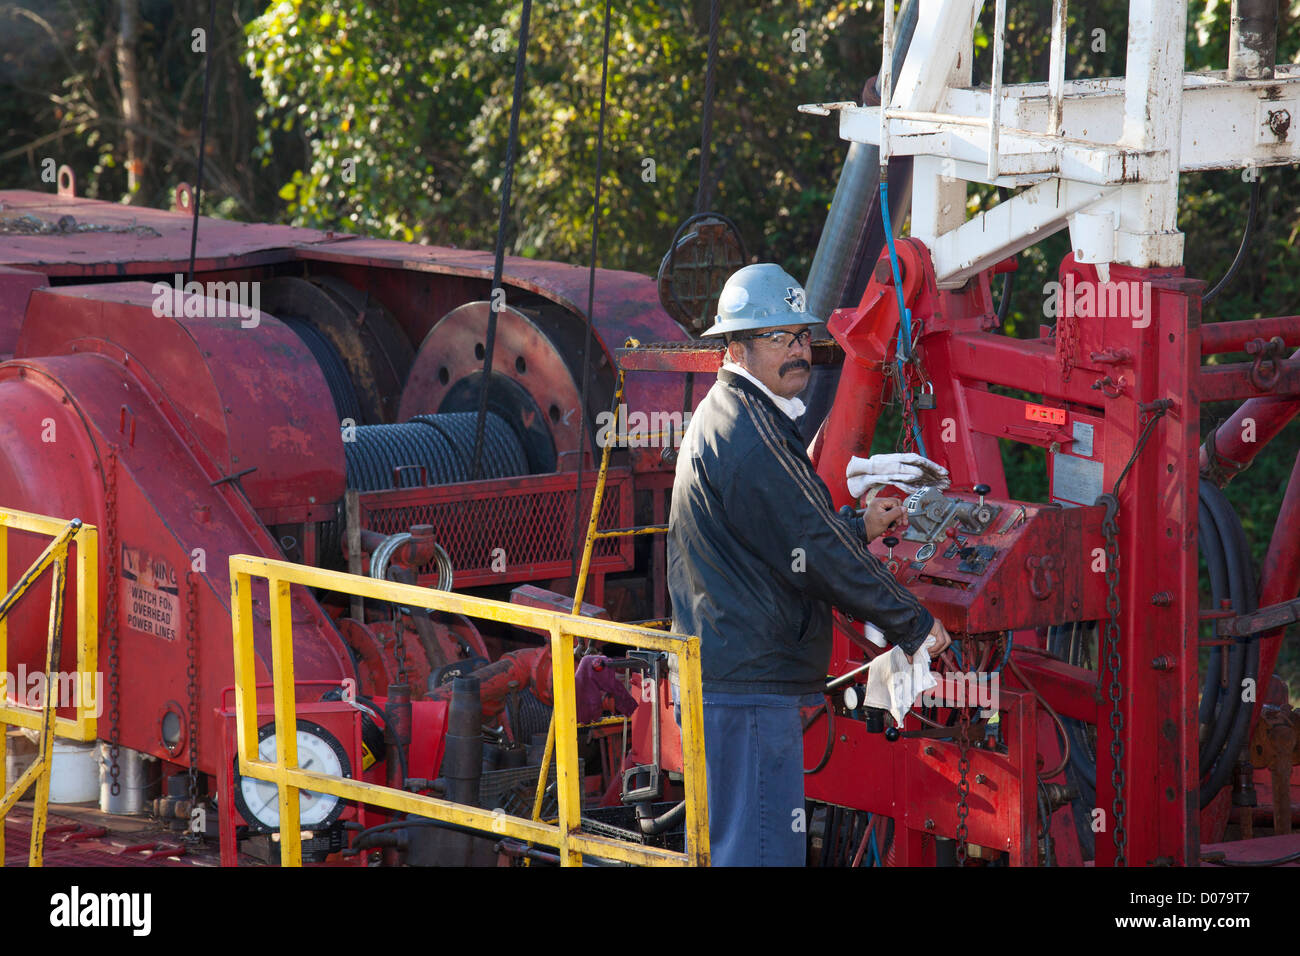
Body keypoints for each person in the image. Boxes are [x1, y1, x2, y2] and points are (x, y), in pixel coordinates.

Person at [667, 262, 951, 866]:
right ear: (736, 347)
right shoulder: (751, 433)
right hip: (745, 687)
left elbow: (782, 541)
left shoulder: (736, 415)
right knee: (761, 853)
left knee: (744, 848)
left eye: (800, 336)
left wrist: (858, 525)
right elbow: (813, 552)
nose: (797, 351)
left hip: (727, 674)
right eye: (777, 339)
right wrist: (913, 624)